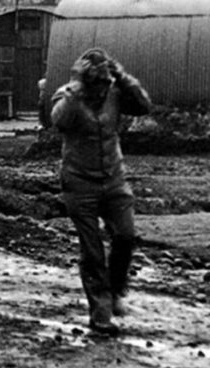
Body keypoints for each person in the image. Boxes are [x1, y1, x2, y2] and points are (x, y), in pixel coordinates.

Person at [51, 47, 151, 336]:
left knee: (125, 235)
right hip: (79, 184)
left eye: (105, 84)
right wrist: (76, 87)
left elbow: (144, 106)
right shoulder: (67, 96)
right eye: (95, 84)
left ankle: (116, 291)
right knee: (92, 251)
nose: (101, 91)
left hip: (114, 179)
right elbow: (58, 120)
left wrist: (122, 76)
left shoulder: (114, 93)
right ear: (85, 81)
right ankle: (101, 315)